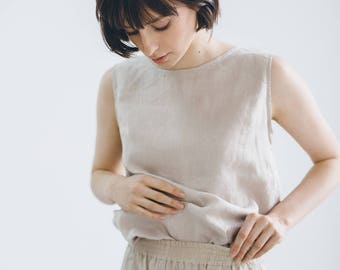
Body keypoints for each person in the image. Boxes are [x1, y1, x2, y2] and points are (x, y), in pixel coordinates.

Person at [90, 0, 340, 269]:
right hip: (142, 260)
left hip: (226, 260)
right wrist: (118, 188)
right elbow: (101, 173)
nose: (148, 46)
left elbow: (330, 159)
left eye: (160, 25)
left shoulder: (263, 74)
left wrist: (282, 219)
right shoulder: (118, 82)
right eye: (132, 32)